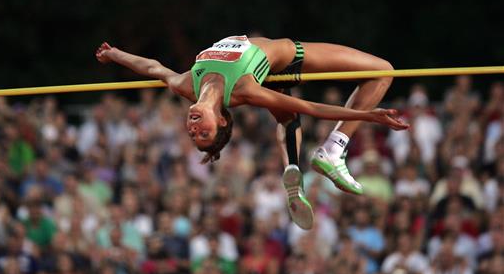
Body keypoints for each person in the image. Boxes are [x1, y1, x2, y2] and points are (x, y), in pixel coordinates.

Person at [96, 36, 409, 230]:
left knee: (287, 120)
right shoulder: (243, 89)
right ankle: (333, 148)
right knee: (383, 70)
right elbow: (312, 108)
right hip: (290, 57)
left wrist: (114, 55)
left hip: (270, 74)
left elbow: (152, 68)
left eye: (193, 134)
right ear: (221, 121)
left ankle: (293, 171)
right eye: (202, 134)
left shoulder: (185, 84)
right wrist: (367, 116)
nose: (193, 129)